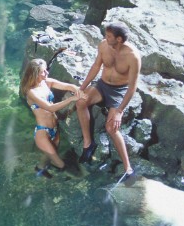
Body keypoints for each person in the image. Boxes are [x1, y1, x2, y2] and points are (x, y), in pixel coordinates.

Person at [76, 22, 141, 184]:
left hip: (119, 91)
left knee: (111, 127)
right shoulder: (104, 45)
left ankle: (128, 168)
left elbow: (132, 87)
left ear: (119, 39)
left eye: (109, 36)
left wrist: (119, 110)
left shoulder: (133, 56)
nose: (105, 38)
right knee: (80, 102)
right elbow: (96, 66)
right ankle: (88, 143)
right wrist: (81, 88)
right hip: (102, 85)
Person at [20, 57, 85, 177]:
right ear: (34, 74)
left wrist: (76, 89)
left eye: (46, 70)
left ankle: (39, 168)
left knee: (48, 155)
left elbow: (66, 86)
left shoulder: (46, 82)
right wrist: (72, 99)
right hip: (42, 133)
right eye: (43, 72)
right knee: (61, 164)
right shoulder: (31, 92)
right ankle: (65, 178)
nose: (46, 73)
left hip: (55, 130)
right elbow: (50, 108)